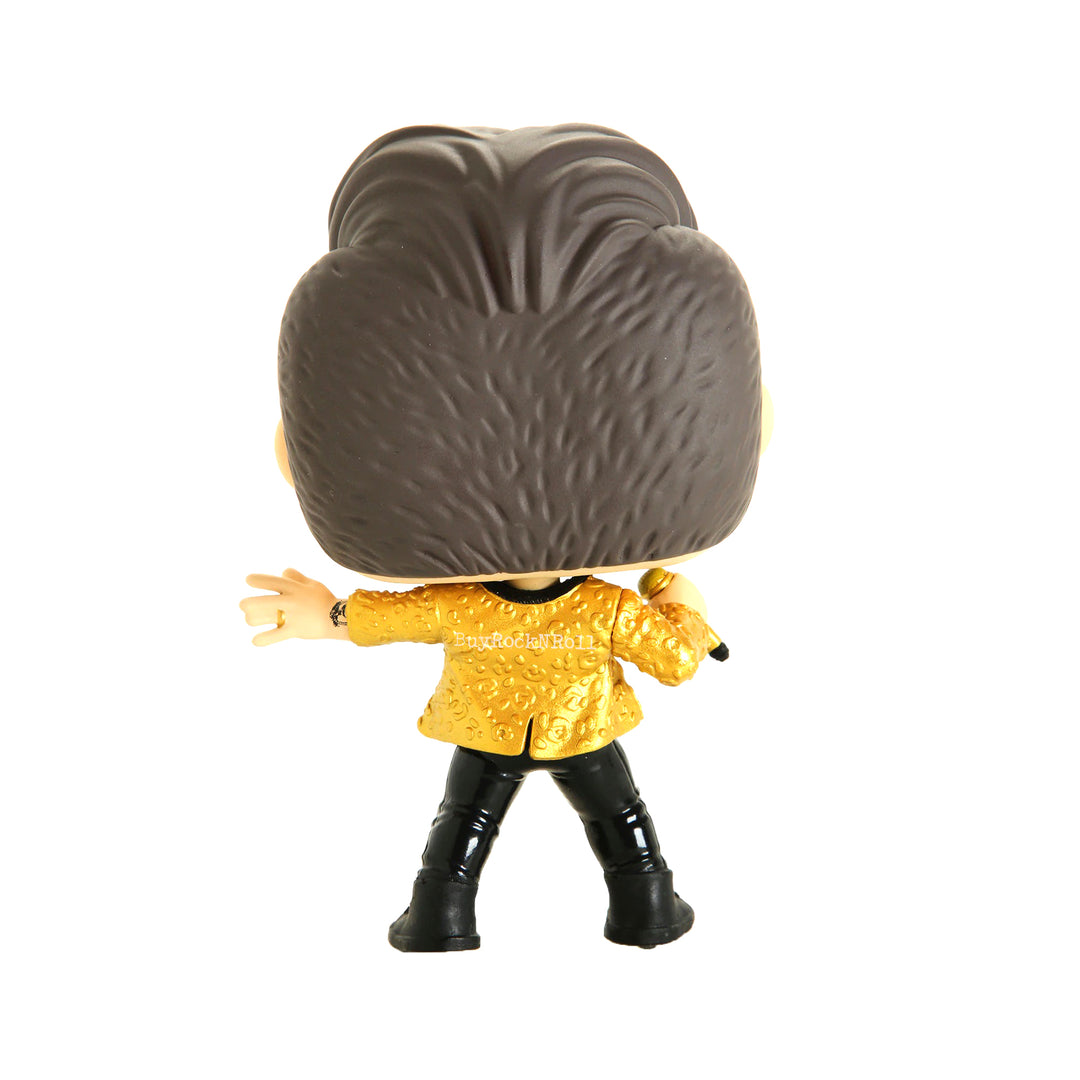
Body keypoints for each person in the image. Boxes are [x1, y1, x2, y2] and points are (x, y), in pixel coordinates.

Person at [240, 124, 768, 950]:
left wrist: (327, 616)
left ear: (294, 452)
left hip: (486, 731)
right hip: (583, 729)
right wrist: (686, 606)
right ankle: (647, 909)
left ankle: (439, 917)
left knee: (463, 825)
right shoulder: (603, 609)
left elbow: (395, 616)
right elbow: (675, 662)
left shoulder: (465, 604)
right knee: (620, 820)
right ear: (753, 427)